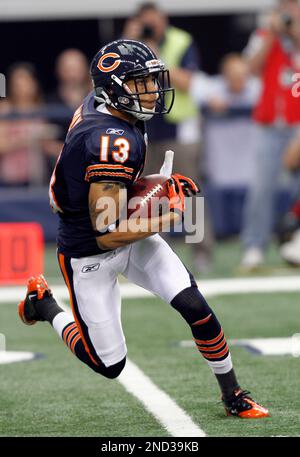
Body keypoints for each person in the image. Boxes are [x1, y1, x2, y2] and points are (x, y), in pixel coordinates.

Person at [18, 39, 268, 418]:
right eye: (140, 83)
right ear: (115, 87)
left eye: (152, 80)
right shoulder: (108, 140)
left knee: (195, 306)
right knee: (108, 363)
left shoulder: (112, 111)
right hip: (91, 248)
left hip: (122, 226)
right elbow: (107, 232)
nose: (152, 91)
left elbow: (113, 192)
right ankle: (46, 305)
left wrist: (151, 184)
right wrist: (168, 216)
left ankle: (233, 393)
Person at [123, 3, 213, 274]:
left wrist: (156, 56)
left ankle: (201, 252)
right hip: (144, 130)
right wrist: (128, 44)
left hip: (179, 130)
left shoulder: (180, 41)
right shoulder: (131, 45)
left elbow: (188, 81)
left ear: (164, 20)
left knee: (189, 193)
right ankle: (152, 255)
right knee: (146, 196)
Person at [240, 0, 300, 269]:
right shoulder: (264, 35)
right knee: (261, 188)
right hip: (269, 124)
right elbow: (249, 67)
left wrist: (294, 33)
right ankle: (254, 246)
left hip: (297, 122)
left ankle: (296, 241)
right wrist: (273, 33)